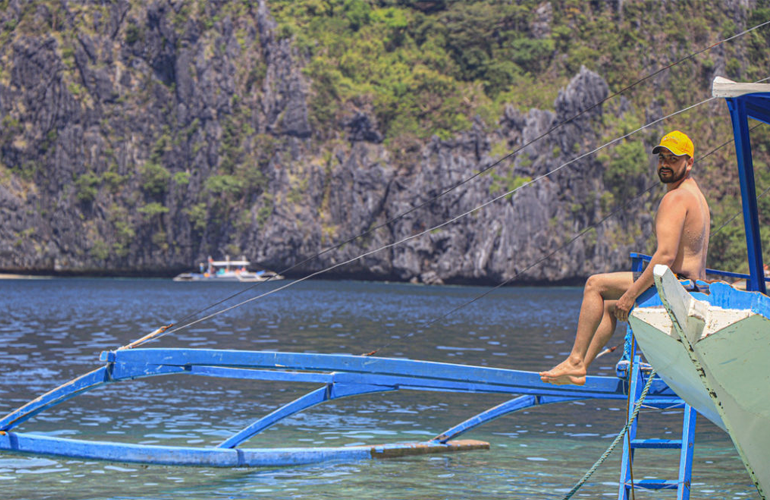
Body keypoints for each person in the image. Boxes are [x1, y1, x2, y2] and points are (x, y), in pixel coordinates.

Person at [539, 131, 710, 386]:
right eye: (662, 158)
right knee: (608, 306)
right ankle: (580, 368)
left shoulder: (675, 198)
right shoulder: (695, 194)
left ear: (689, 162)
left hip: (677, 286)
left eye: (673, 159)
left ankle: (575, 359)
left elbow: (665, 255)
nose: (665, 164)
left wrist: (630, 295)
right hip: (695, 285)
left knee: (594, 285)